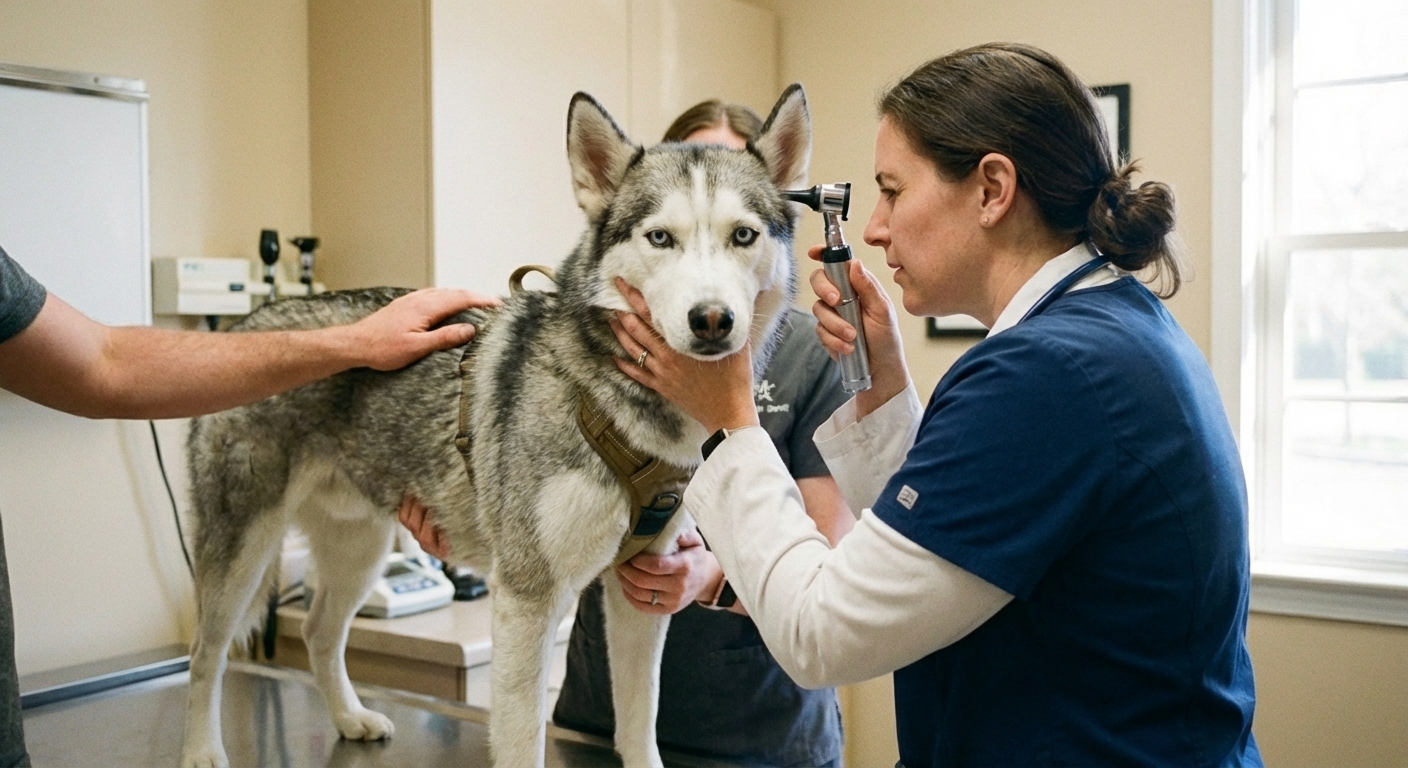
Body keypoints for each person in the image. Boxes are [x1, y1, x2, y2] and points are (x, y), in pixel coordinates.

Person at [608, 43, 1263, 767]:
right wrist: (881, 385)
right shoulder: (1107, 330)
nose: (876, 226)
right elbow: (943, 550)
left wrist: (728, 420)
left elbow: (820, 635)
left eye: (892, 189)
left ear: (991, 189)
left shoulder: (1046, 376)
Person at [400, 100, 853, 767]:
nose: (707, 276)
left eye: (737, 230)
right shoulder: (572, 370)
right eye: (668, 233)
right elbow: (531, 554)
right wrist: (473, 525)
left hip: (762, 733)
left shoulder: (814, 353)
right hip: (593, 721)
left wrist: (708, 576)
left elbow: (833, 560)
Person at [0, 245, 497, 767]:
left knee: (355, 572)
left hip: (359, 433)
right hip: (268, 421)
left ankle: (337, 688)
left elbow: (101, 361)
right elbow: (104, 366)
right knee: (229, 586)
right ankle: (200, 718)